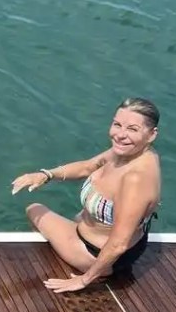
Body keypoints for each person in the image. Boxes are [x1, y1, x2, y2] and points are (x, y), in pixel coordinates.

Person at [10, 97, 162, 293]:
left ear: (151, 135)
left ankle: (67, 263)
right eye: (117, 125)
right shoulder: (132, 151)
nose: (120, 135)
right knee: (65, 218)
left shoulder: (135, 179)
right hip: (102, 238)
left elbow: (118, 243)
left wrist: (84, 280)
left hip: (96, 255)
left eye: (132, 129)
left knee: (34, 210)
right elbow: (88, 166)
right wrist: (46, 175)